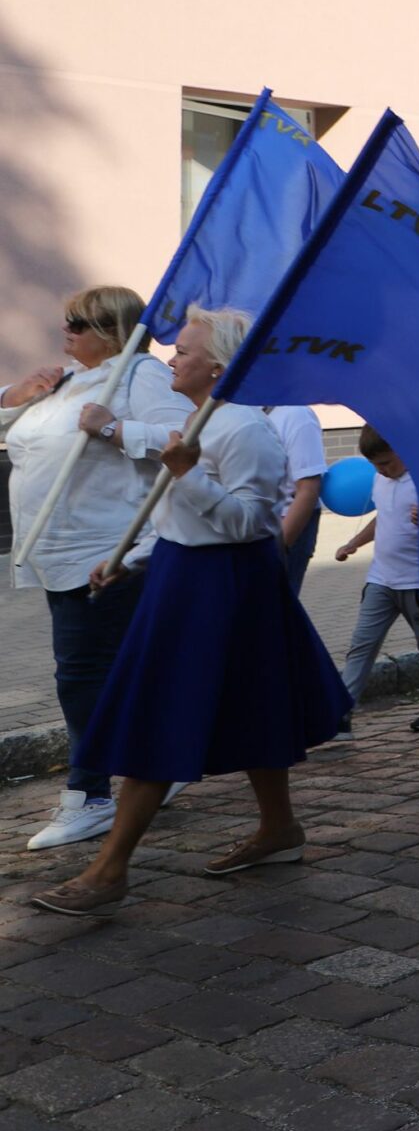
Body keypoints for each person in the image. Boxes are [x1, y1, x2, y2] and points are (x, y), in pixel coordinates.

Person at [31, 307, 352, 916]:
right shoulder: (198, 419)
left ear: (219, 367)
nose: (171, 359)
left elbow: (250, 524)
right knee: (253, 706)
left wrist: (186, 474)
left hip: (224, 584)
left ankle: (109, 869)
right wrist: (133, 560)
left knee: (160, 712)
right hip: (186, 576)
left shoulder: (245, 429)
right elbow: (177, 518)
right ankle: (279, 829)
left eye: (183, 351)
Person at [1, 286, 191, 852]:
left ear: (112, 330)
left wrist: (114, 428)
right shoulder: (66, 379)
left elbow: (183, 441)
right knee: (115, 669)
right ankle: (162, 763)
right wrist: (17, 394)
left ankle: (90, 794)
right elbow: (14, 432)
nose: (67, 331)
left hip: (105, 553)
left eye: (78, 323)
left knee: (82, 675)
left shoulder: (140, 376)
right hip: (55, 552)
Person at [331, 426, 419, 732]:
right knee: (362, 644)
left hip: (418, 582)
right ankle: (340, 714)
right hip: (381, 578)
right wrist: (354, 543)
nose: (382, 470)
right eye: (376, 465)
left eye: (387, 463)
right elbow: (383, 518)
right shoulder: (380, 479)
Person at [262, 404, 326, 598]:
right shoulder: (251, 412)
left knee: (275, 604)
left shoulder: (296, 415)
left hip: (286, 523)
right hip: (257, 524)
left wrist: (278, 547)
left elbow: (308, 489)